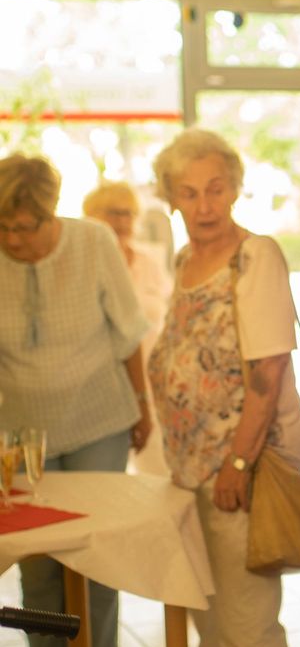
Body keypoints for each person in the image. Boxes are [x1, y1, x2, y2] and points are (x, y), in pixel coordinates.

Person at [147, 129, 300, 647]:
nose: (204, 202)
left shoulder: (256, 256)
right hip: (190, 469)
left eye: (215, 186)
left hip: (240, 472)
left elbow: (266, 372)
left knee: (249, 625)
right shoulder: (188, 258)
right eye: (188, 191)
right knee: (207, 615)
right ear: (170, 198)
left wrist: (239, 462)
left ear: (236, 185)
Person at [0, 153, 151, 647]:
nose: (14, 239)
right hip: (21, 431)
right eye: (4, 227)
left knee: (93, 563)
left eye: (26, 226)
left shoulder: (92, 243)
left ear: (51, 212)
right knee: (38, 565)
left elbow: (128, 329)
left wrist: (140, 403)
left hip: (97, 418)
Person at [83, 180, 173, 476]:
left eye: (128, 213)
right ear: (92, 215)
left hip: (153, 379)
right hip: (102, 386)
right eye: (113, 212)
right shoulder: (83, 264)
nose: (122, 221)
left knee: (159, 469)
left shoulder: (149, 263)